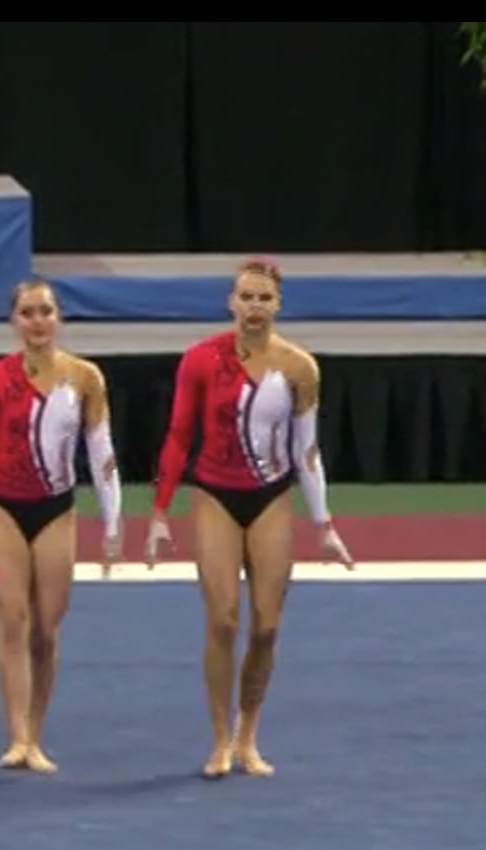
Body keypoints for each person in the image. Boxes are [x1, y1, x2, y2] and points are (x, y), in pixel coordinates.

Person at [145, 258, 355, 779]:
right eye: (247, 297)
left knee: (266, 627)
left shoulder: (299, 368)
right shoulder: (200, 360)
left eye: (264, 298)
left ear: (278, 305)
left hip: (270, 495)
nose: (255, 307)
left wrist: (324, 524)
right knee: (223, 621)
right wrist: (160, 511)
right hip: (215, 493)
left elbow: (307, 452)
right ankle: (219, 739)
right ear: (231, 303)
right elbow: (178, 436)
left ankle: (248, 736)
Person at [0, 277, 123, 773]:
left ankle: (36, 734)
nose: (38, 321)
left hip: (56, 509)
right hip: (1, 506)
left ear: (59, 317)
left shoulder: (84, 378)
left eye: (45, 311)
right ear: (13, 321)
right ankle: (18, 737)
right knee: (13, 619)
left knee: (45, 628)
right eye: (27, 312)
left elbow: (101, 453)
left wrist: (112, 521)